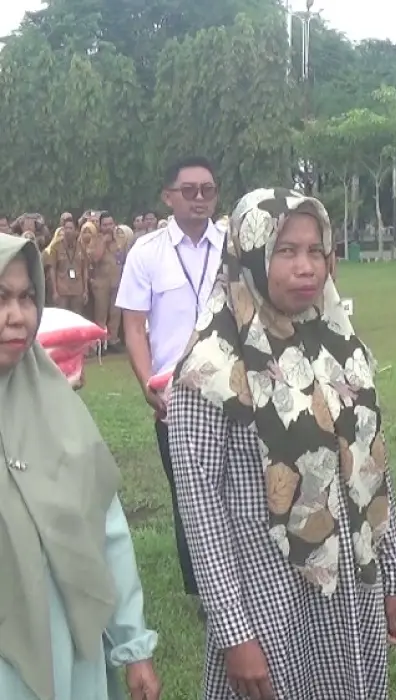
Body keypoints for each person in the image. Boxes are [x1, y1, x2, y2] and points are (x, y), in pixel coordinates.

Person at [165, 189, 396, 699]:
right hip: (268, 599)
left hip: (351, 589)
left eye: (315, 251)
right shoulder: (210, 369)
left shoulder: (340, 345)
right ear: (251, 253)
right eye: (286, 251)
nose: (306, 267)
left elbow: (370, 461)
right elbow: (201, 511)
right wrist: (235, 633)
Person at [0, 234, 161, 700]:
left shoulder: (59, 410)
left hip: (70, 651)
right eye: (1, 298)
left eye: (27, 297)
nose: (17, 315)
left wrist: (133, 645)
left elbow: (107, 531)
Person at [117, 155, 226, 607]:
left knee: (242, 486)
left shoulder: (233, 248)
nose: (199, 199)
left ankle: (246, 577)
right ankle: (203, 592)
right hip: (175, 396)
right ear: (168, 196)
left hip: (233, 389)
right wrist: (148, 386)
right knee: (190, 493)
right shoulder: (147, 253)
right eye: (189, 191)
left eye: (207, 190)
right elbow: (134, 327)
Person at [86, 212, 126, 349]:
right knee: (101, 315)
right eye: (105, 224)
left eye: (110, 224)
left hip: (117, 281)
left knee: (115, 314)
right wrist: (103, 242)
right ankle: (100, 343)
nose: (108, 227)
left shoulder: (120, 238)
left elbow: (123, 256)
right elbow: (95, 258)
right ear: (100, 226)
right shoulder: (95, 239)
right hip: (101, 283)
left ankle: (112, 340)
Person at [48, 217, 89, 314]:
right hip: (62, 291)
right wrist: (54, 291)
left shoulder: (81, 247)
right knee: (62, 317)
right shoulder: (56, 247)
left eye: (71, 228)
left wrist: (85, 290)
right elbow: (52, 269)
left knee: (77, 317)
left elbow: (85, 269)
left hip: (77, 290)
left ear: (76, 231)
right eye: (66, 228)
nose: (68, 231)